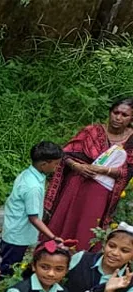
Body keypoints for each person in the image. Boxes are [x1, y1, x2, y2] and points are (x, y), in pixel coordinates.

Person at [45, 97, 133, 250]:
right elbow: (66, 154)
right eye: (115, 112)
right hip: (77, 184)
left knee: (88, 227)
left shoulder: (131, 140)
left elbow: (129, 170)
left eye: (124, 115)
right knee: (65, 223)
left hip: (101, 191)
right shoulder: (91, 131)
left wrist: (105, 170)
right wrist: (77, 166)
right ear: (110, 112)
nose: (118, 118)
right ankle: (51, 256)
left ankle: (81, 262)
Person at [0, 142, 66, 277]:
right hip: (18, 236)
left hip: (13, 229)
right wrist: (53, 237)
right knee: (8, 271)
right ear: (44, 164)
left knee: (8, 266)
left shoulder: (27, 174)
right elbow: (33, 218)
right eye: (55, 164)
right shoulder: (33, 187)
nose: (56, 167)